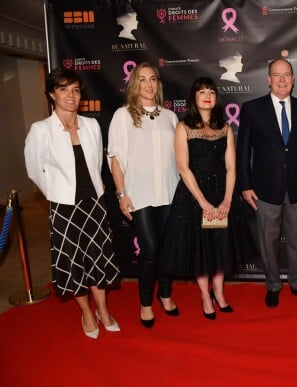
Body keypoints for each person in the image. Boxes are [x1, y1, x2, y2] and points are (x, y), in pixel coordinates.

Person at [24, 67, 120, 339]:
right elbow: (34, 170)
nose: (71, 95)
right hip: (64, 207)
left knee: (98, 260)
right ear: (52, 94)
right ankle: (87, 315)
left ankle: (103, 311)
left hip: (94, 204)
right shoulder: (41, 130)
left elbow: (98, 163)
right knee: (74, 261)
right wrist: (56, 193)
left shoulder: (91, 125)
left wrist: (98, 189)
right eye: (64, 89)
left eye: (75, 90)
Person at [237, 58, 297, 308]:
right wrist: (245, 185)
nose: (282, 80)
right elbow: (243, 151)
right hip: (264, 189)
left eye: (287, 75)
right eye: (277, 75)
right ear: (268, 80)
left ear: (294, 79)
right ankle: (273, 285)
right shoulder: (252, 109)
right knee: (268, 241)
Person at [107, 62, 180, 328]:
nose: (149, 84)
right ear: (134, 84)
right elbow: (116, 159)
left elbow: (179, 160)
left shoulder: (170, 117)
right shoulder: (122, 115)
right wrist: (121, 194)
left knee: (168, 249)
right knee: (149, 249)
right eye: (143, 79)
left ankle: (165, 294)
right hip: (140, 195)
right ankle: (146, 303)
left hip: (170, 194)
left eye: (153, 79)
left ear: (158, 84)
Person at [161, 77, 236, 320]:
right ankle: (206, 296)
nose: (207, 95)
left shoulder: (225, 128)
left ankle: (220, 293)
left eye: (211, 91)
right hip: (194, 197)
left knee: (220, 246)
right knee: (201, 249)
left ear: (216, 97)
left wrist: (226, 200)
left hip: (220, 195)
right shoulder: (183, 127)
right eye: (201, 91)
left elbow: (231, 167)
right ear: (194, 97)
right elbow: (183, 168)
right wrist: (203, 202)